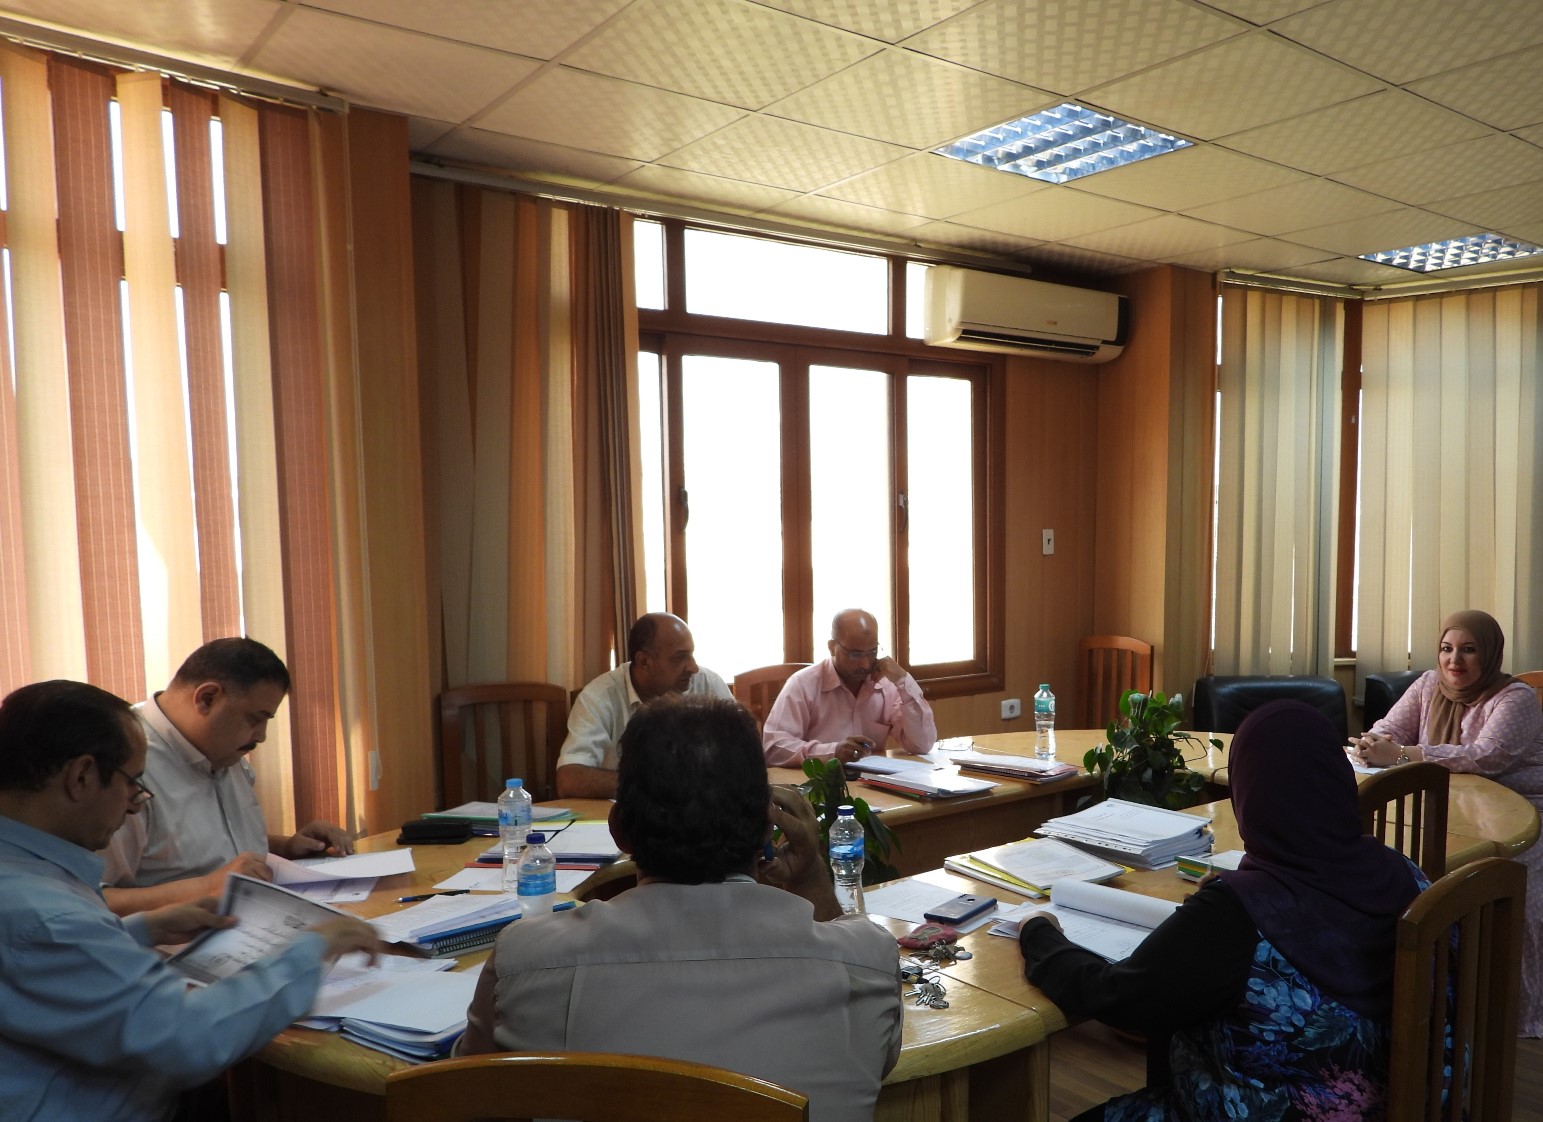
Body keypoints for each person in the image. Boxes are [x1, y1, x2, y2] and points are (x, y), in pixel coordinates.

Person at [462, 695, 902, 1122]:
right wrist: (810, 880)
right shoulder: (868, 962)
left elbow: (464, 1094)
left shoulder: (526, 962)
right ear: (769, 829)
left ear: (619, 831)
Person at [1021, 701, 1423, 1121]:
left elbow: (1118, 997)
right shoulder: (1405, 874)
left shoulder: (1238, 910)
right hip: (1410, 1103)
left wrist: (1038, 933)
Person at [0, 679, 380, 1122]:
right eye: (132, 783)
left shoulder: (26, 875)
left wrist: (143, 928)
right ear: (81, 777)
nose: (135, 806)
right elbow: (188, 1037)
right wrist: (310, 951)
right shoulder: (45, 915)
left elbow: (43, 965)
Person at [1350, 608, 1543, 1035]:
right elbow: (1389, 728)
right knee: (1399, 865)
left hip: (1523, 813)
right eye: (1446, 648)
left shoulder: (1516, 698)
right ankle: (1430, 992)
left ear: (1489, 654)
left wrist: (1402, 754)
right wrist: (1375, 743)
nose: (1454, 660)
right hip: (1446, 804)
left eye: (1469, 649)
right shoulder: (1427, 685)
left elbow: (1486, 757)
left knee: (1510, 884)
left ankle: (1505, 1006)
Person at [100, 637, 355, 916]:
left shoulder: (221, 748)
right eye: (255, 719)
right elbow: (91, 900)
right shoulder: (123, 762)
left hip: (257, 919)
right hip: (178, 936)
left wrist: (289, 847)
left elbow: (208, 845)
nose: (261, 736)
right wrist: (206, 887)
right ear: (207, 698)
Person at [554, 612, 732, 798]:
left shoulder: (707, 685)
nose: (693, 667)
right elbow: (569, 779)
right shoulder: (599, 697)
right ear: (644, 661)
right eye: (680, 658)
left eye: (691, 654)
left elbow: (743, 756)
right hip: (628, 812)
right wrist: (659, 786)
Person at [762, 608, 936, 766]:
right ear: (832, 647)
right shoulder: (803, 684)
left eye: (872, 652)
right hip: (817, 784)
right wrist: (831, 752)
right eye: (855, 654)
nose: (865, 664)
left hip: (870, 784)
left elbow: (922, 745)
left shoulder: (886, 685)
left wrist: (903, 681)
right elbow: (773, 749)